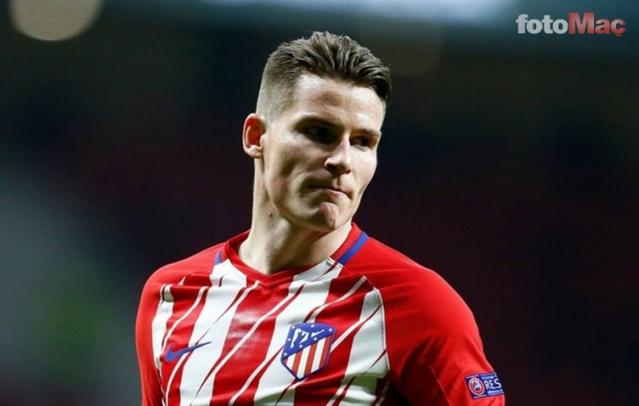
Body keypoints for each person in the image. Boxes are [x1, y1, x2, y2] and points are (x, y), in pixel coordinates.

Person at [136, 31, 505, 405]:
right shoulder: (170, 296)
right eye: (318, 132)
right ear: (256, 136)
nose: (342, 160)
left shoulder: (416, 305)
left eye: (362, 142)